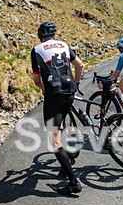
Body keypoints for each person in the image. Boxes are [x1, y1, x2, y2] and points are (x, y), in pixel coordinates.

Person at [30, 21, 84, 195]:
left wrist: (44, 90)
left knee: (54, 141)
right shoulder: (64, 45)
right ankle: (66, 162)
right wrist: (76, 83)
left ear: (41, 36)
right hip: (70, 91)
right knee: (60, 125)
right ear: (53, 35)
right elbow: (80, 66)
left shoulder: (37, 49)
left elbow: (37, 79)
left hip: (54, 94)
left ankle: (73, 183)